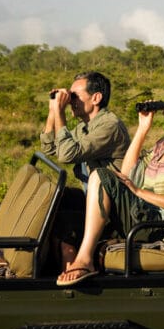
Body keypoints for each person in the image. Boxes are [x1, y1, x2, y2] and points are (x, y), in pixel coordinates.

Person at [56, 84, 164, 286]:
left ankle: (85, 260)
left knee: (100, 176)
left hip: (158, 226)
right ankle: (71, 269)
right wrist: (143, 128)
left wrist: (139, 192)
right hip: (141, 212)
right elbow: (126, 172)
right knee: (66, 216)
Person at [40, 71, 130, 270]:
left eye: (75, 96)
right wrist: (52, 112)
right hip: (96, 199)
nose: (70, 101)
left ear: (96, 98)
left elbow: (67, 155)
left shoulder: (109, 126)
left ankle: (73, 268)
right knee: (56, 200)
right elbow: (51, 149)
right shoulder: (86, 126)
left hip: (114, 208)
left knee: (67, 222)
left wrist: (61, 113)